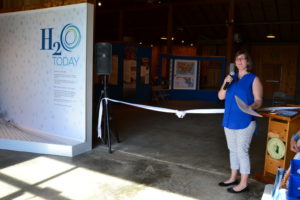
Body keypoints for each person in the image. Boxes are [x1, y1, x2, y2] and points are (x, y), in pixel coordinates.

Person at [217, 49, 263, 193]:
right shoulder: (231, 78)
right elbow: (220, 97)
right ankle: (233, 177)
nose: (239, 61)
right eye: (237, 59)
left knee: (242, 151)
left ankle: (244, 183)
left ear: (248, 62)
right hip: (229, 120)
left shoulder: (253, 79)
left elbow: (258, 100)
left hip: (245, 121)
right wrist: (225, 82)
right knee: (232, 150)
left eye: (243, 59)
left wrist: (252, 106)